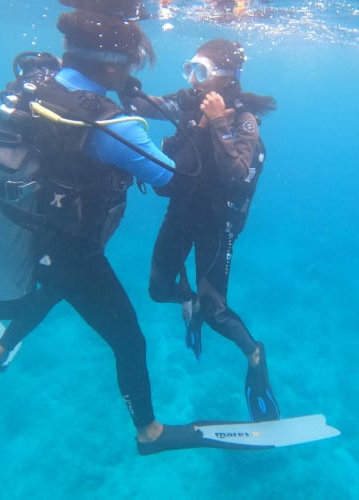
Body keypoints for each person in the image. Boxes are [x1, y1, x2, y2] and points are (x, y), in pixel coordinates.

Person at [0, 3, 198, 453]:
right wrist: (201, 131)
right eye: (134, 62)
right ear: (113, 66)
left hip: (34, 232)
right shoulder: (110, 125)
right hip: (74, 251)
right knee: (129, 340)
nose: (135, 71)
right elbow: (174, 180)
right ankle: (149, 432)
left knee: (52, 287)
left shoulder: (42, 86)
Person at [121, 39, 280, 422]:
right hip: (182, 211)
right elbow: (140, 105)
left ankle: (254, 354)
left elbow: (236, 173)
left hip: (218, 222)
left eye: (202, 71)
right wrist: (122, 75)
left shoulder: (243, 120)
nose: (193, 80)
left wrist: (219, 122)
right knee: (159, 290)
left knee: (215, 311)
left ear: (225, 77)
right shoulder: (188, 101)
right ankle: (186, 300)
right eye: (189, 69)